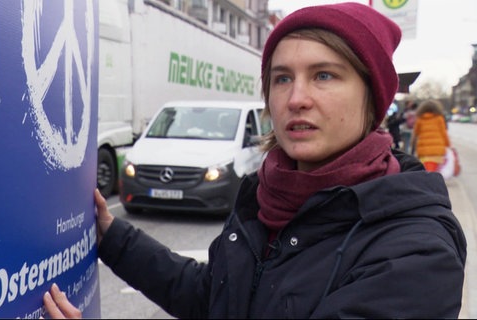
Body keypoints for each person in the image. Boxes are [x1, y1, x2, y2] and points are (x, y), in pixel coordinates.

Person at [43, 3, 466, 318]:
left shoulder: (415, 251)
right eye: (282, 78)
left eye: (324, 75)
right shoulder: (266, 198)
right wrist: (113, 236)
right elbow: (214, 295)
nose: (296, 99)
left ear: (372, 98)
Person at [411, 99, 451, 172]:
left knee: (426, 172)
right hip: (438, 151)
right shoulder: (439, 118)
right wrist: (448, 145)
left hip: (423, 151)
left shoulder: (420, 119)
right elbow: (444, 133)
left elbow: (415, 134)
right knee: (436, 173)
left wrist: (412, 146)